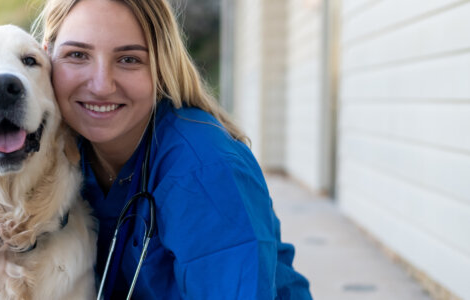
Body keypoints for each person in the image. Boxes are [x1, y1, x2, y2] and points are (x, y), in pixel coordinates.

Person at [35, 0, 312, 299]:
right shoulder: (53, 153)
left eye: (129, 59)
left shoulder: (205, 171)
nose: (101, 85)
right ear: (47, 56)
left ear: (161, 64)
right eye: (77, 55)